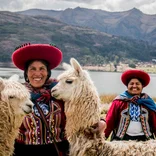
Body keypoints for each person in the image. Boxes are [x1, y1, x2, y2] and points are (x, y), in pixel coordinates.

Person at [11, 43, 69, 156]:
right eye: (32, 69)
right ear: (26, 73)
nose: (37, 73)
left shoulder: (60, 92)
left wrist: (101, 121)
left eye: (42, 68)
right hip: (23, 151)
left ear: (47, 72)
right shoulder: (16, 94)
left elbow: (81, 110)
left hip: (57, 150)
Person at [104, 69, 156, 141]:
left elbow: (155, 123)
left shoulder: (148, 102)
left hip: (145, 141)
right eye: (131, 83)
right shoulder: (118, 102)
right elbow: (109, 122)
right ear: (127, 86)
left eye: (137, 84)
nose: (134, 86)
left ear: (142, 86)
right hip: (121, 140)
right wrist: (102, 139)